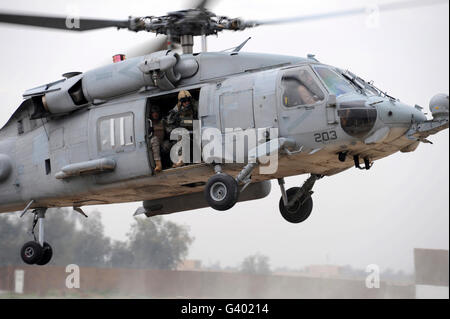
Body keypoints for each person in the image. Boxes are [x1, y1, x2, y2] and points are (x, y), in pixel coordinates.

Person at [164, 90, 198, 168]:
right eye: (184, 101)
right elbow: (168, 127)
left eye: (188, 100)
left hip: (194, 131)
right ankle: (180, 159)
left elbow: (198, 119)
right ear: (181, 102)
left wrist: (186, 122)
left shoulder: (194, 106)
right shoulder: (175, 111)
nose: (187, 103)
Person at [148, 105, 165, 173]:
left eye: (157, 112)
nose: (155, 114)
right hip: (153, 145)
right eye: (153, 112)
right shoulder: (149, 124)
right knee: (154, 139)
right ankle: (158, 164)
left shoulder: (162, 122)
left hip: (163, 143)